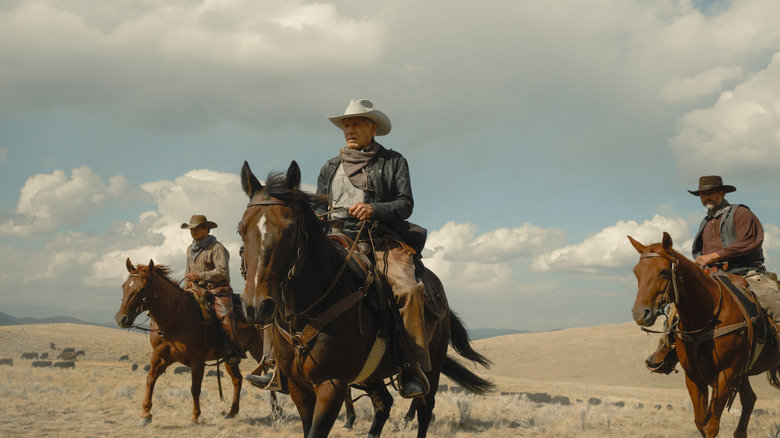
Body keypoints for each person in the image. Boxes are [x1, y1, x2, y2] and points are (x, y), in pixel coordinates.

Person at [246, 99, 430, 398]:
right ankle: (277, 364)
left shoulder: (393, 161)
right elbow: (319, 208)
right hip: (333, 237)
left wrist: (373, 209)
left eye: (356, 123)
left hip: (378, 238)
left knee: (408, 290)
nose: (350, 129)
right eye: (346, 124)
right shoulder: (330, 167)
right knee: (281, 281)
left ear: (373, 128)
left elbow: (405, 204)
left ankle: (411, 365)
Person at [646, 175, 779, 373]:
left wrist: (716, 255)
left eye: (710, 193)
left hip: (747, 273)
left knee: (774, 302)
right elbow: (700, 253)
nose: (706, 197)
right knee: (677, 311)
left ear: (722, 193)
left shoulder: (741, 213)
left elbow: (750, 242)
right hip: (714, 277)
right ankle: (668, 349)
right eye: (702, 194)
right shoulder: (705, 223)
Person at [182, 214, 245, 365]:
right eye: (191, 229)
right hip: (195, 291)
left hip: (217, 290)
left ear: (207, 229)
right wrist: (184, 291)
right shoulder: (190, 249)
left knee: (225, 316)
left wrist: (200, 275)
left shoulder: (217, 248)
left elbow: (222, 272)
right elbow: (187, 273)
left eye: (197, 228)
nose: (193, 232)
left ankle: (231, 349)